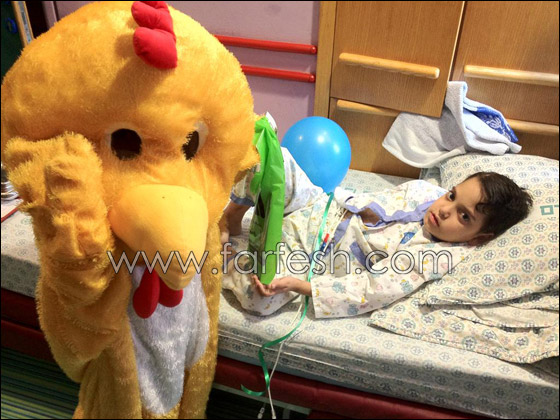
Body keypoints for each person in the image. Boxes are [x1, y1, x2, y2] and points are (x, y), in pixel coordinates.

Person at [222, 169, 533, 319]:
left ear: (478, 238)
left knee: (260, 300)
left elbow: (373, 289)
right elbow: (368, 202)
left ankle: (227, 254)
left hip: (309, 253)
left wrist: (299, 285)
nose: (444, 210)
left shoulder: (435, 256)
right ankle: (231, 217)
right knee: (273, 162)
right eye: (452, 195)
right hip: (320, 206)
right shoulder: (426, 192)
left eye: (464, 216)